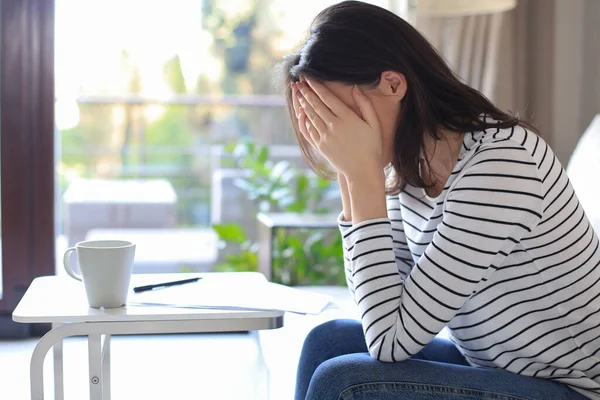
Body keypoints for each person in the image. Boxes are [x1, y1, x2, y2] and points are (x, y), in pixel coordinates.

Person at [280, 1, 600, 399]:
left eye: (334, 112)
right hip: (496, 368)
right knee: (327, 343)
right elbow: (381, 311)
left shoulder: (501, 164)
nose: (332, 133)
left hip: (573, 388)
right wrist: (352, 174)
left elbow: (390, 341)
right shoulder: (406, 168)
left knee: (344, 382)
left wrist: (360, 175)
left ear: (393, 85)